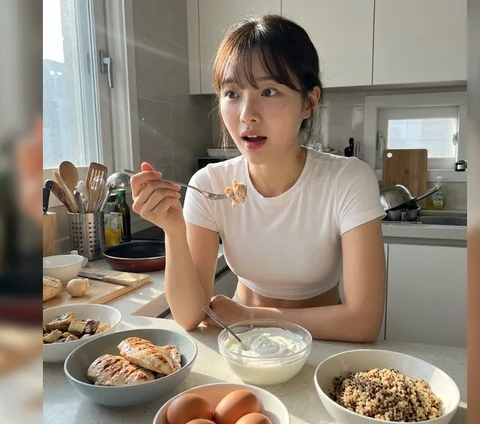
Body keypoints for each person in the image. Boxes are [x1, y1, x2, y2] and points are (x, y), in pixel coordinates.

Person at [129, 15, 386, 342]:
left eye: (268, 91)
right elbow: (189, 315)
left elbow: (363, 322)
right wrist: (173, 231)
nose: (247, 114)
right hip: (242, 341)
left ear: (309, 102)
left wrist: (252, 316)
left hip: (321, 341)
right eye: (232, 93)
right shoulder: (209, 184)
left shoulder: (348, 180)